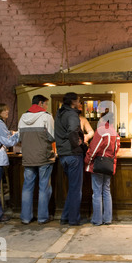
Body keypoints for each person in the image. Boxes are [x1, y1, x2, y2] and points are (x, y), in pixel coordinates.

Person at [18, 95, 55, 225]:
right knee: (43, 187)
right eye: (45, 104)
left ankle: (25, 218)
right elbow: (52, 137)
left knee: (27, 187)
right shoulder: (46, 116)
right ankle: (42, 217)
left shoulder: (23, 117)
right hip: (43, 157)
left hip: (27, 157)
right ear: (40, 103)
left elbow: (19, 137)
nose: (46, 107)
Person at [84, 111, 120, 226]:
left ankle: (97, 220)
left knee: (97, 192)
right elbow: (116, 149)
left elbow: (93, 149)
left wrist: (87, 161)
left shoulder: (101, 131)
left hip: (98, 164)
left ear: (103, 120)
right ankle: (107, 219)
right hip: (109, 164)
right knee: (106, 191)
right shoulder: (115, 132)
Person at [55, 92, 85, 225]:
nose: (80, 103)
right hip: (73, 154)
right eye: (78, 100)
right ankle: (73, 219)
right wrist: (79, 145)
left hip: (63, 155)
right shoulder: (72, 114)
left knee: (72, 188)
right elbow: (73, 131)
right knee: (75, 189)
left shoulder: (59, 113)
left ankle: (65, 217)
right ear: (73, 101)